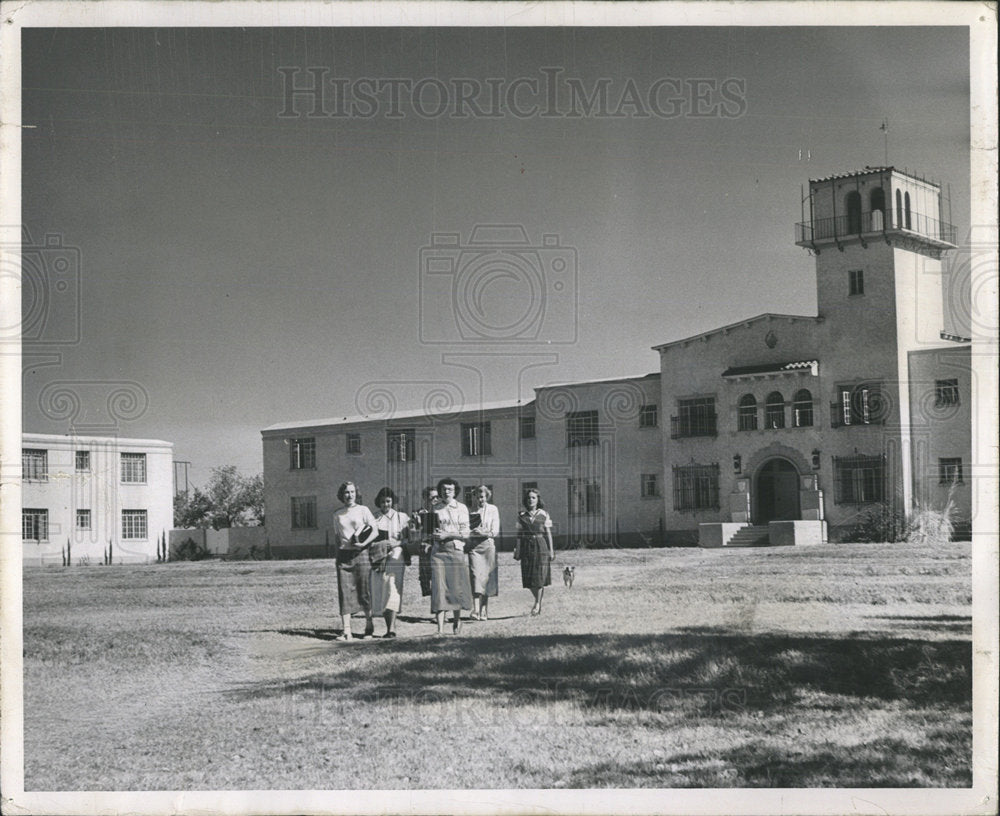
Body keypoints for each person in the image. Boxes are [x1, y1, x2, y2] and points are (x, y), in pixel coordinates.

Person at [331, 481, 378, 640]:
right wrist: (337, 558)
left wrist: (364, 543)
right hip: (344, 556)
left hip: (362, 554)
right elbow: (338, 538)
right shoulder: (337, 514)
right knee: (345, 593)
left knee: (364, 591)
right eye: (346, 492)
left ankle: (369, 626)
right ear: (341, 495)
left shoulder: (363, 510)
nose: (349, 495)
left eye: (352, 492)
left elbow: (375, 531)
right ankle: (346, 631)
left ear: (356, 493)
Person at [430, 477, 473, 634]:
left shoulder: (461, 508)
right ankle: (440, 629)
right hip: (437, 552)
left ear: (455, 491)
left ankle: (457, 621)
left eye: (449, 489)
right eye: (443, 489)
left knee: (455, 587)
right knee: (439, 588)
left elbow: (466, 533)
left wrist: (447, 534)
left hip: (455, 550)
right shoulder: (435, 508)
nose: (446, 491)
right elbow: (431, 529)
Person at [370, 487, 409, 638]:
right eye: (382, 502)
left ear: (393, 501)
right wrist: (380, 544)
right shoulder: (374, 518)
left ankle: (391, 629)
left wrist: (396, 543)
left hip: (396, 557)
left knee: (393, 589)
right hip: (379, 558)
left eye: (388, 501)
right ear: (378, 503)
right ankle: (387, 627)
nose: (385, 505)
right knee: (383, 591)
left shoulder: (402, 517)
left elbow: (409, 538)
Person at [515, 487, 554, 616]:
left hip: (540, 545)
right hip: (526, 546)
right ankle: (537, 600)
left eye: (533, 497)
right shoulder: (521, 516)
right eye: (529, 498)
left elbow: (548, 533)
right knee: (528, 576)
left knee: (539, 575)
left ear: (538, 500)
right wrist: (518, 550)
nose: (531, 500)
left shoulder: (543, 514)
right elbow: (519, 535)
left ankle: (537, 604)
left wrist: (551, 550)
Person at [467, 484, 499, 621]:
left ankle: (484, 609)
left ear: (487, 497)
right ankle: (475, 609)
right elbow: (464, 529)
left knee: (487, 577)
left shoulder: (493, 509)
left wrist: (484, 532)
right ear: (473, 496)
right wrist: (471, 533)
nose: (480, 500)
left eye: (483, 497)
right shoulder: (469, 510)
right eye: (478, 496)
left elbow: (495, 531)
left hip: (488, 545)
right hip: (474, 547)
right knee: (475, 576)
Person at [410, 486, 440, 603]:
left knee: (439, 578)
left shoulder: (441, 511)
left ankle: (439, 610)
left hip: (439, 547)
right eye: (432, 497)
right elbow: (412, 533)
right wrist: (418, 525)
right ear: (425, 498)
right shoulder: (417, 513)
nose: (435, 500)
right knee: (427, 578)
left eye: (437, 497)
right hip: (425, 548)